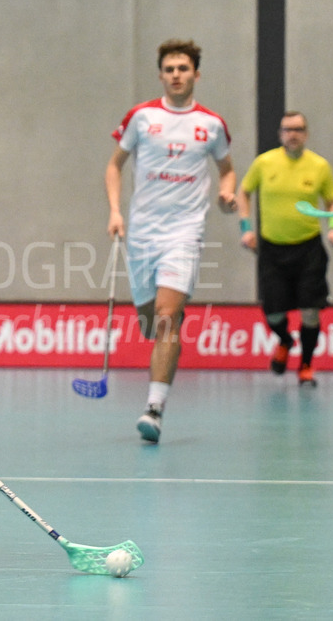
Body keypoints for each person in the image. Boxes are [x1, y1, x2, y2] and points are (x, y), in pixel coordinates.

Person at [104, 39, 236, 443]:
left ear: (196, 74)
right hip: (143, 234)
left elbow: (227, 169)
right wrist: (115, 211)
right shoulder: (142, 117)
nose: (176, 75)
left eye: (183, 68)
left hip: (184, 232)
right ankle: (166, 331)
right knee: (150, 322)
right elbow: (114, 166)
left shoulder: (211, 125)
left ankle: (154, 408)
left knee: (167, 315)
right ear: (161, 75)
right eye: (170, 69)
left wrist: (227, 192)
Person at [236, 111, 333, 386]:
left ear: (306, 134)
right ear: (280, 134)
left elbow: (332, 200)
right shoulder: (264, 163)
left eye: (298, 129)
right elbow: (243, 193)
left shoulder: (319, 166)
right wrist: (246, 228)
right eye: (287, 129)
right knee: (273, 313)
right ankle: (284, 340)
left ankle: (306, 366)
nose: (292, 134)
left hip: (309, 251)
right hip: (272, 251)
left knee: (310, 311)